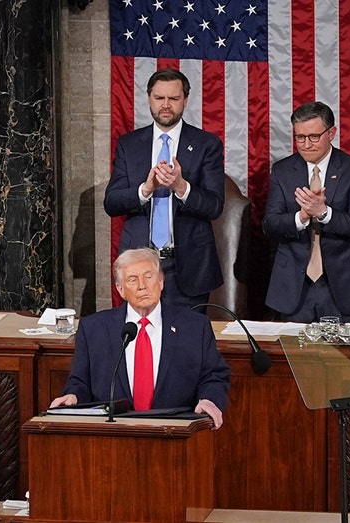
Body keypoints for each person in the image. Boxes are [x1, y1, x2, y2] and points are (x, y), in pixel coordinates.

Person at [49, 247, 230, 428]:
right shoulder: (94, 329)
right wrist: (72, 397)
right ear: (120, 290)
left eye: (148, 277)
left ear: (161, 282)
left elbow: (213, 375)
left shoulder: (195, 326)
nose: (142, 285)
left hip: (176, 433)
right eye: (132, 279)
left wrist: (209, 400)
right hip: (112, 435)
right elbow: (80, 381)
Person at [104, 67, 225, 310]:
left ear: (185, 100)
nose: (166, 105)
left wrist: (181, 186)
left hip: (188, 263)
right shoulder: (129, 144)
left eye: (174, 98)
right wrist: (145, 189)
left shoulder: (206, 144)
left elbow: (214, 206)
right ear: (149, 98)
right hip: (139, 262)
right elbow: (112, 203)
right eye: (159, 98)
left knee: (186, 342)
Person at [262, 101, 350, 324]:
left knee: (347, 358)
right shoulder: (282, 171)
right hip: (296, 285)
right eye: (300, 137)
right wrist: (302, 217)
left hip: (345, 283)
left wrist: (323, 212)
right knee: (296, 357)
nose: (306, 144)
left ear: (331, 133)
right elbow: (270, 224)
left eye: (314, 137)